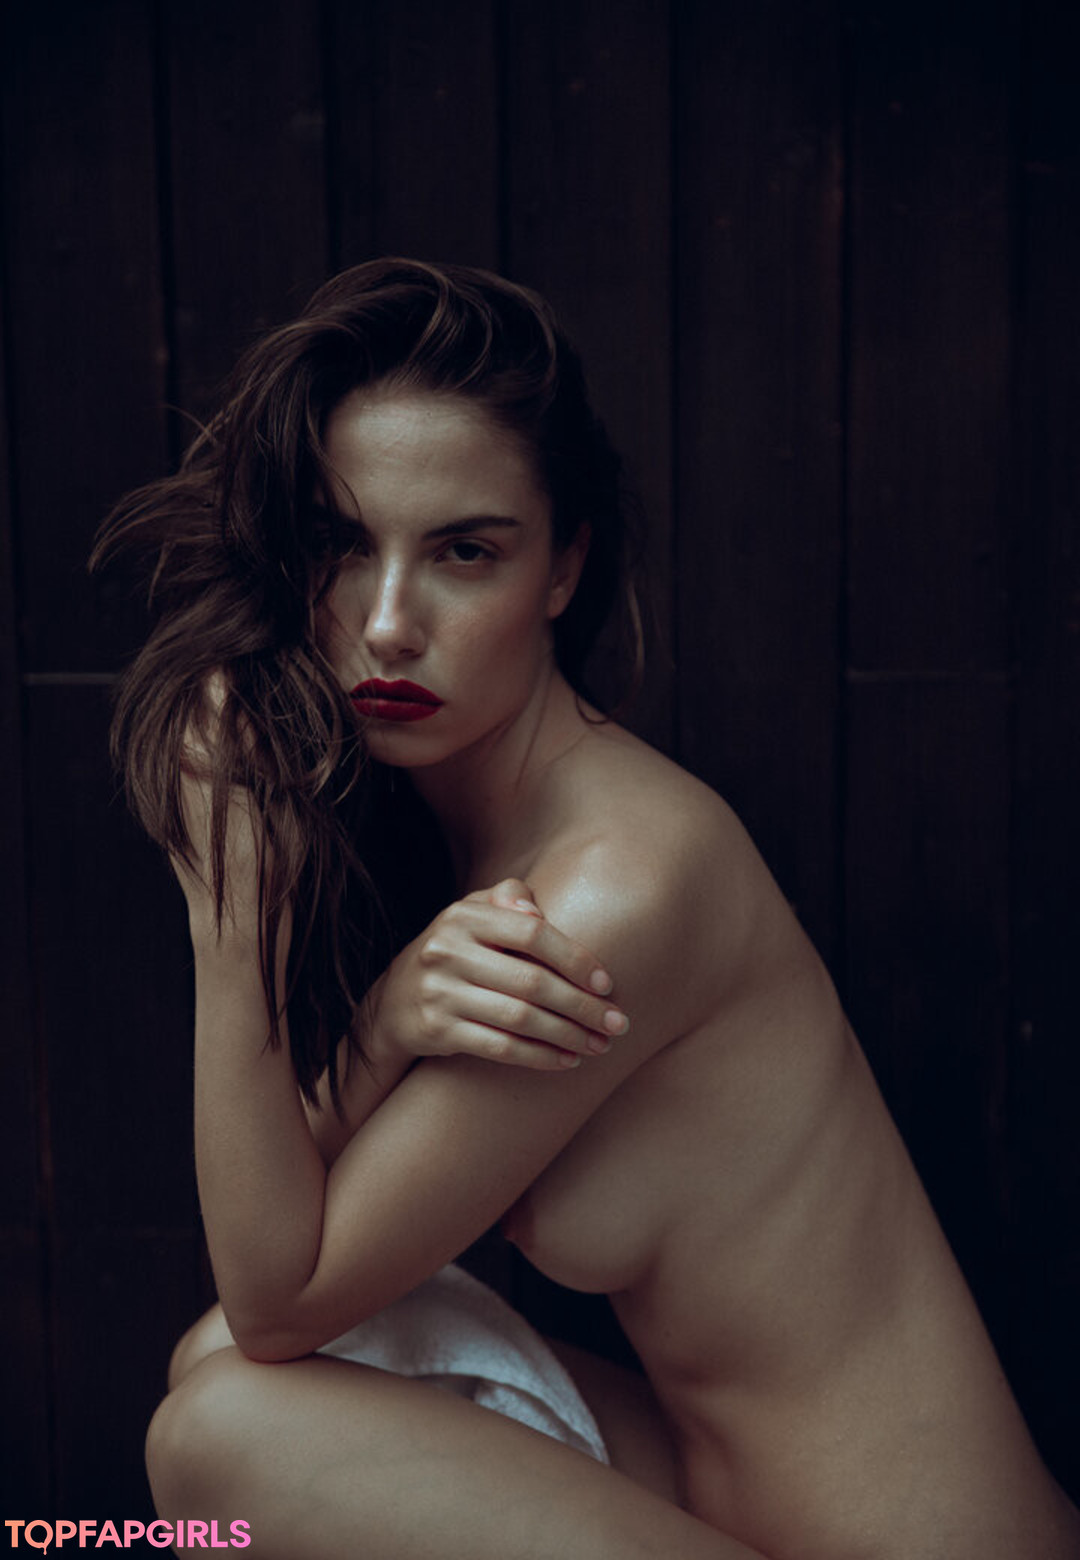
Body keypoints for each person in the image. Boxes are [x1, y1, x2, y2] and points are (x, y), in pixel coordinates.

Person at [95, 258, 1080, 1559]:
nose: (387, 625)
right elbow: (275, 1262)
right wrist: (381, 1027)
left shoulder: (620, 887)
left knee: (222, 1429)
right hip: (725, 1503)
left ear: (564, 567)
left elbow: (285, 1295)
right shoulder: (485, 840)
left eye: (465, 552)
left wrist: (229, 920)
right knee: (217, 1363)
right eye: (343, 546)